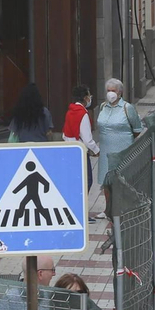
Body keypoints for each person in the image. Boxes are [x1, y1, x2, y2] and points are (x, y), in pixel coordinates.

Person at [94, 79, 144, 193]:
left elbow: (137, 129)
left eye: (113, 90)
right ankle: (108, 204)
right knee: (106, 183)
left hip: (122, 151)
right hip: (105, 153)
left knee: (123, 182)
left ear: (120, 92)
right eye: (108, 90)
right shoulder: (103, 106)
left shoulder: (127, 108)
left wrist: (124, 138)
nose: (110, 93)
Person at [62, 85, 102, 215]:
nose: (90, 98)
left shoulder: (70, 111)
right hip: (80, 152)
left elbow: (65, 134)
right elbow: (87, 139)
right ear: (85, 98)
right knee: (87, 181)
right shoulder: (83, 114)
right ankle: (80, 211)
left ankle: (74, 209)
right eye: (89, 96)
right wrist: (97, 150)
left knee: (75, 182)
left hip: (70, 150)